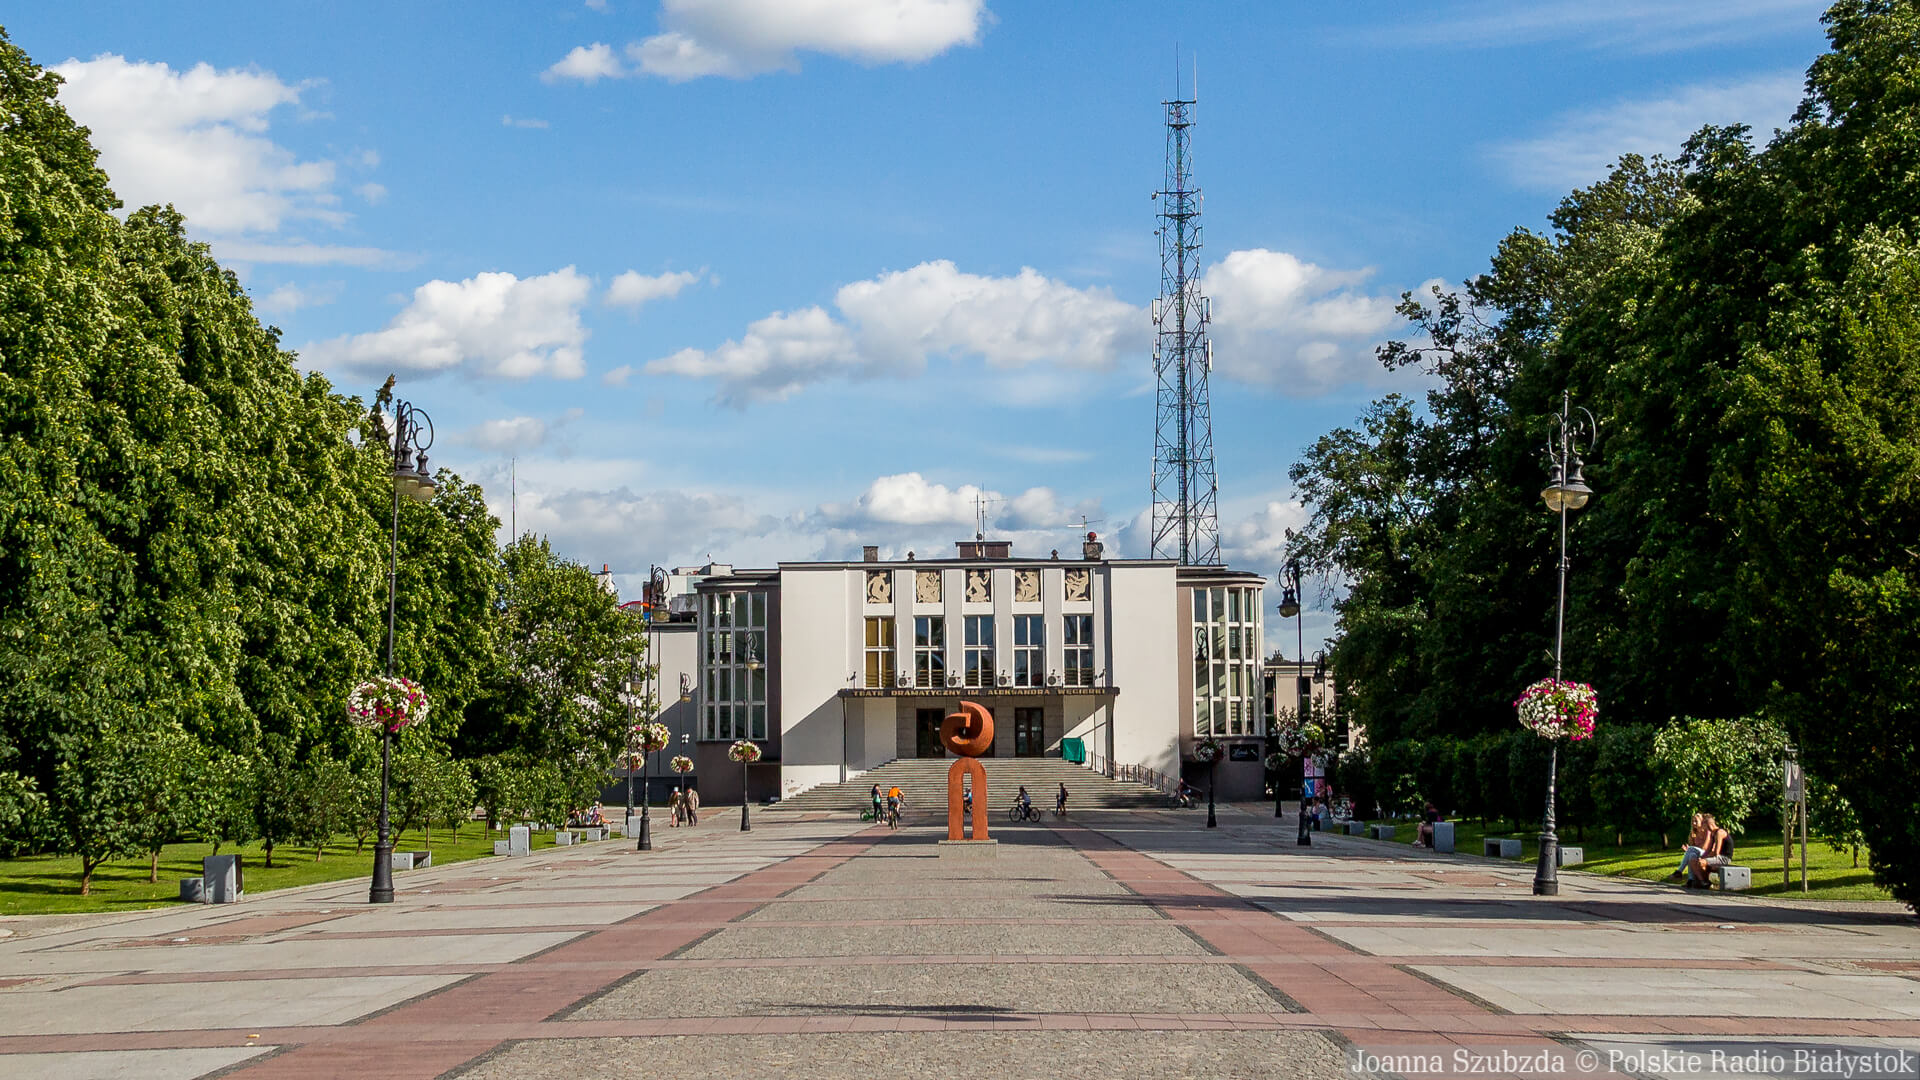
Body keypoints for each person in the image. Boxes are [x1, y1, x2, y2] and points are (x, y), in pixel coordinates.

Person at [1688, 816, 1734, 888]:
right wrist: (1701, 857)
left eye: (1704, 826)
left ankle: (1705, 882)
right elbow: (1708, 850)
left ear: (1709, 824)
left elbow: (1716, 852)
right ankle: (1703, 882)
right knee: (1694, 861)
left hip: (1724, 858)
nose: (1703, 828)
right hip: (1717, 857)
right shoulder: (1713, 834)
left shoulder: (1719, 832)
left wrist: (1704, 859)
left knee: (1701, 863)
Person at [1670, 813, 1709, 880]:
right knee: (1691, 855)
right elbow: (1693, 848)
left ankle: (1679, 871)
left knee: (1691, 850)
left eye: (1696, 821)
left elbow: (1704, 847)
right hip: (1697, 854)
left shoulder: (1707, 832)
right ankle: (1691, 880)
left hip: (1707, 854)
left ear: (1701, 821)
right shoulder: (1693, 834)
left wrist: (1691, 849)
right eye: (1693, 821)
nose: (1694, 823)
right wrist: (1687, 850)